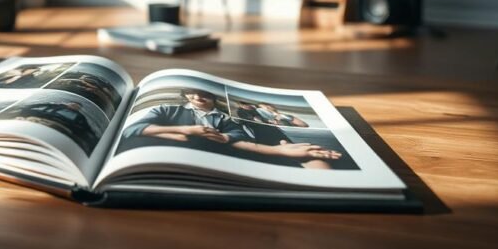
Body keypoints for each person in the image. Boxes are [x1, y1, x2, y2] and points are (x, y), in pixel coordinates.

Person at [124, 88, 340, 169]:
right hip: (163, 158)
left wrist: (226, 138)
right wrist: (185, 130)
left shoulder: (226, 117)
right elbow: (132, 129)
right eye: (191, 93)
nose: (198, 97)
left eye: (204, 94)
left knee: (314, 158)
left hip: (229, 156)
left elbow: (236, 136)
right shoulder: (167, 110)